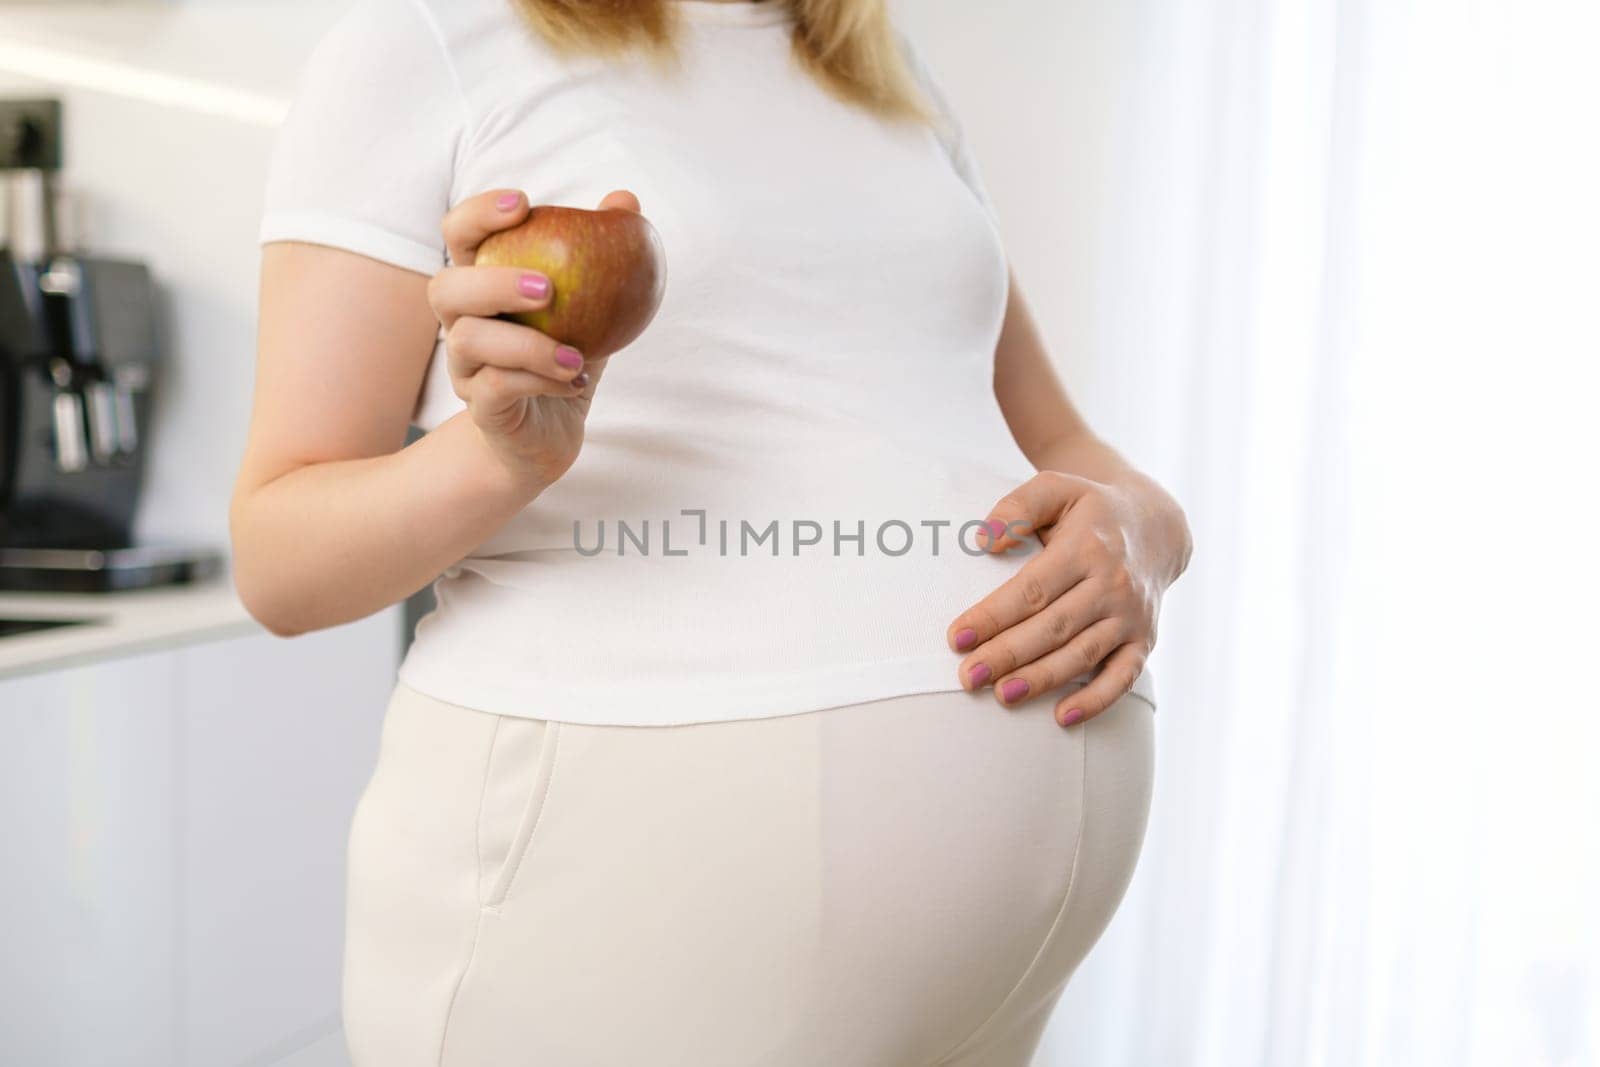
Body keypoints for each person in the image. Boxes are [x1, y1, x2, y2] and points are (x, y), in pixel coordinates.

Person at [231, 0, 1192, 1063]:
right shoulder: (428, 45)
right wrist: (498, 457)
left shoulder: (877, 72)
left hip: (985, 965)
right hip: (604, 878)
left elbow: (1056, 438)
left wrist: (1148, 529)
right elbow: (280, 564)